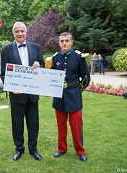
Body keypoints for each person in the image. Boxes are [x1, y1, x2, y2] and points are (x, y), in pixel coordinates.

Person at [0, 21, 45, 161]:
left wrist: (39, 65)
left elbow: (42, 65)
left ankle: (33, 149)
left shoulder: (36, 47)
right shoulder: (6, 50)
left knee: (33, 124)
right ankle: (19, 149)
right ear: (13, 34)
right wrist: (11, 88)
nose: (20, 33)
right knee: (17, 125)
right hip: (17, 95)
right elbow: (3, 74)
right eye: (17, 31)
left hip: (32, 95)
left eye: (22, 31)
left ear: (26, 32)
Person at [46, 32, 90, 161]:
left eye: (67, 40)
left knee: (76, 126)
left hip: (74, 95)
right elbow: (50, 77)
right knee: (61, 125)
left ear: (71, 42)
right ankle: (61, 148)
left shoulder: (78, 57)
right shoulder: (54, 58)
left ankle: (80, 151)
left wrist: (77, 91)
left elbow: (86, 77)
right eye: (62, 41)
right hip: (59, 96)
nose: (64, 43)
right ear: (59, 43)